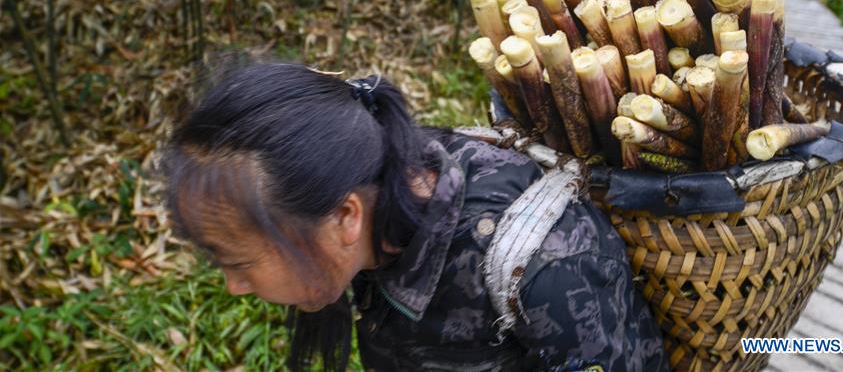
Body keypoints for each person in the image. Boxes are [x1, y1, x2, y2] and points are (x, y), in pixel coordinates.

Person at [161, 59, 668, 371]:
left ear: (345, 216)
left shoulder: (546, 268)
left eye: (240, 261)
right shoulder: (363, 194)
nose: (234, 286)